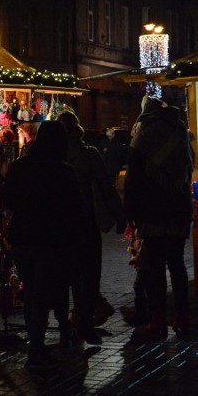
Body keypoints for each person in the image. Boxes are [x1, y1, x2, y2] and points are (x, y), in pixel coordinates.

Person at [3, 120, 81, 371]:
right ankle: (39, 347)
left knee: (33, 294)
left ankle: (36, 345)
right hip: (51, 239)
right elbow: (74, 208)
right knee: (46, 291)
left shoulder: (20, 168)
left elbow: (8, 200)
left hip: (24, 237)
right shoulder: (64, 171)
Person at [124, 96, 194, 338]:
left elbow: (134, 176)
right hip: (178, 209)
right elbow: (189, 168)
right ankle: (183, 318)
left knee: (154, 269)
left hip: (152, 210)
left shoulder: (144, 133)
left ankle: (158, 320)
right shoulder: (181, 131)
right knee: (177, 265)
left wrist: (130, 212)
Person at [57, 111, 126, 345]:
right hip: (84, 224)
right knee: (87, 276)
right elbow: (106, 188)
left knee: (62, 278)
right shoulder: (88, 155)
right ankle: (84, 324)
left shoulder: (51, 157)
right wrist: (120, 216)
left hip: (57, 227)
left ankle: (67, 327)